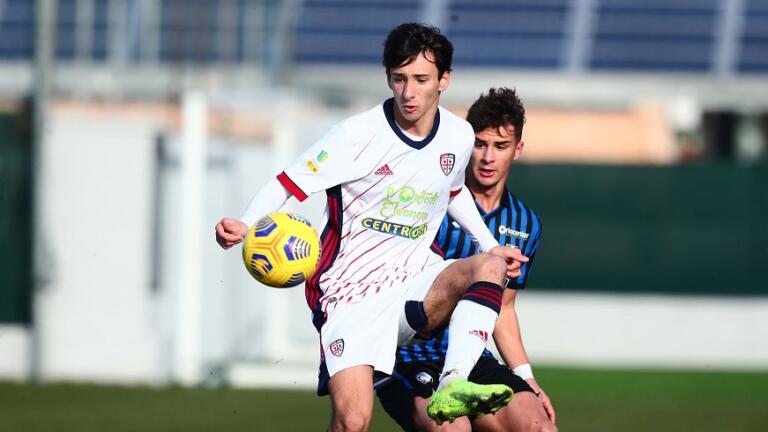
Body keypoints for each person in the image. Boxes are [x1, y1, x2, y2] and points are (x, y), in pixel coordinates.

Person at [215, 24, 528, 431]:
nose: (409, 92)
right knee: (353, 422)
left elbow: (452, 194)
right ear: (388, 78)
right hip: (350, 295)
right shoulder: (355, 135)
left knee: (489, 266)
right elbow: (287, 183)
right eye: (399, 79)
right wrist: (246, 220)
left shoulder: (458, 135)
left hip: (414, 281)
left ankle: (454, 383)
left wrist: (490, 244)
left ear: (444, 80)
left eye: (421, 80)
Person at [376, 88, 557, 431]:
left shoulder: (525, 224)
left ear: (517, 150)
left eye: (500, 146)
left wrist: (527, 378)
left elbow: (502, 308)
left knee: (539, 425)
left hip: (472, 359)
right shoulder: (429, 202)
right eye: (479, 143)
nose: (488, 157)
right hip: (409, 356)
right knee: (453, 427)